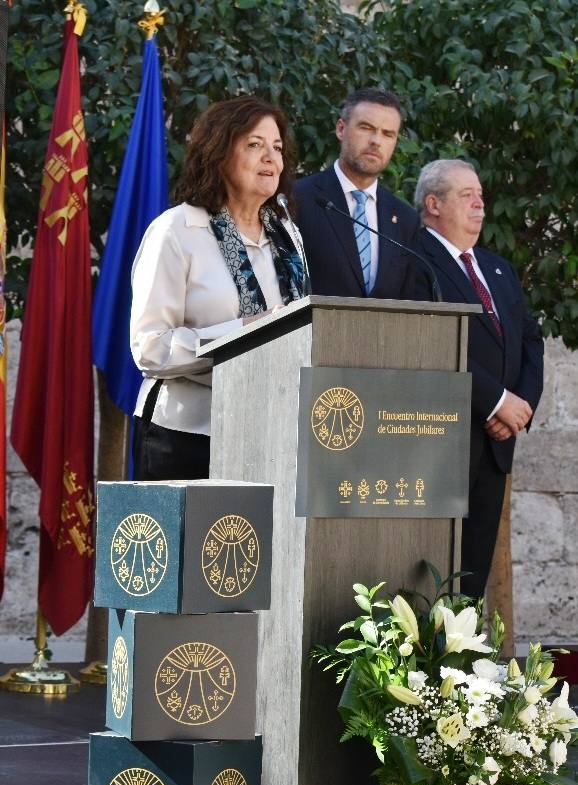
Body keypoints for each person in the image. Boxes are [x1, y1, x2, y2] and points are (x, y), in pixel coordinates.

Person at [130, 96, 304, 480]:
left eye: (277, 148)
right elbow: (150, 347)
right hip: (186, 435)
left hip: (269, 432)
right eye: (255, 145)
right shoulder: (176, 231)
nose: (271, 158)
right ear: (218, 153)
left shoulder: (286, 234)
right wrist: (240, 335)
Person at [413, 159, 544, 598]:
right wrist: (494, 401)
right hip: (442, 441)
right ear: (433, 203)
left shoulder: (498, 268)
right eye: (466, 194)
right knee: (426, 578)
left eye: (480, 194)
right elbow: (428, 343)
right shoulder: (414, 260)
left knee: (471, 583)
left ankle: (460, 663)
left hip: (495, 445)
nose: (480, 203)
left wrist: (518, 407)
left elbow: (530, 339)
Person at [294, 88, 418, 299]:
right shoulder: (298, 198)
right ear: (341, 129)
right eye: (366, 127)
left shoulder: (405, 218)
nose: (376, 141)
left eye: (388, 134)